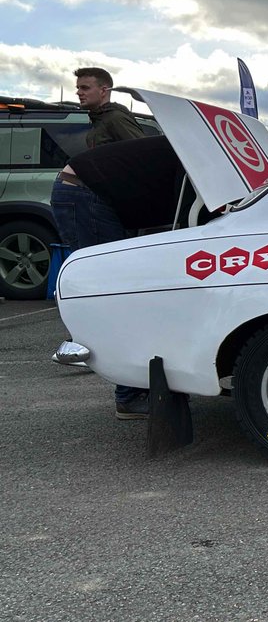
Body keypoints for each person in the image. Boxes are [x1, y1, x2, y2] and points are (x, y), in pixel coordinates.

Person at [55, 136, 186, 419]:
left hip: (91, 192)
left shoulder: (191, 149)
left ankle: (137, 387)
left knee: (129, 290)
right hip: (84, 192)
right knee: (117, 292)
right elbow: (184, 222)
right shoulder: (191, 157)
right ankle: (130, 395)